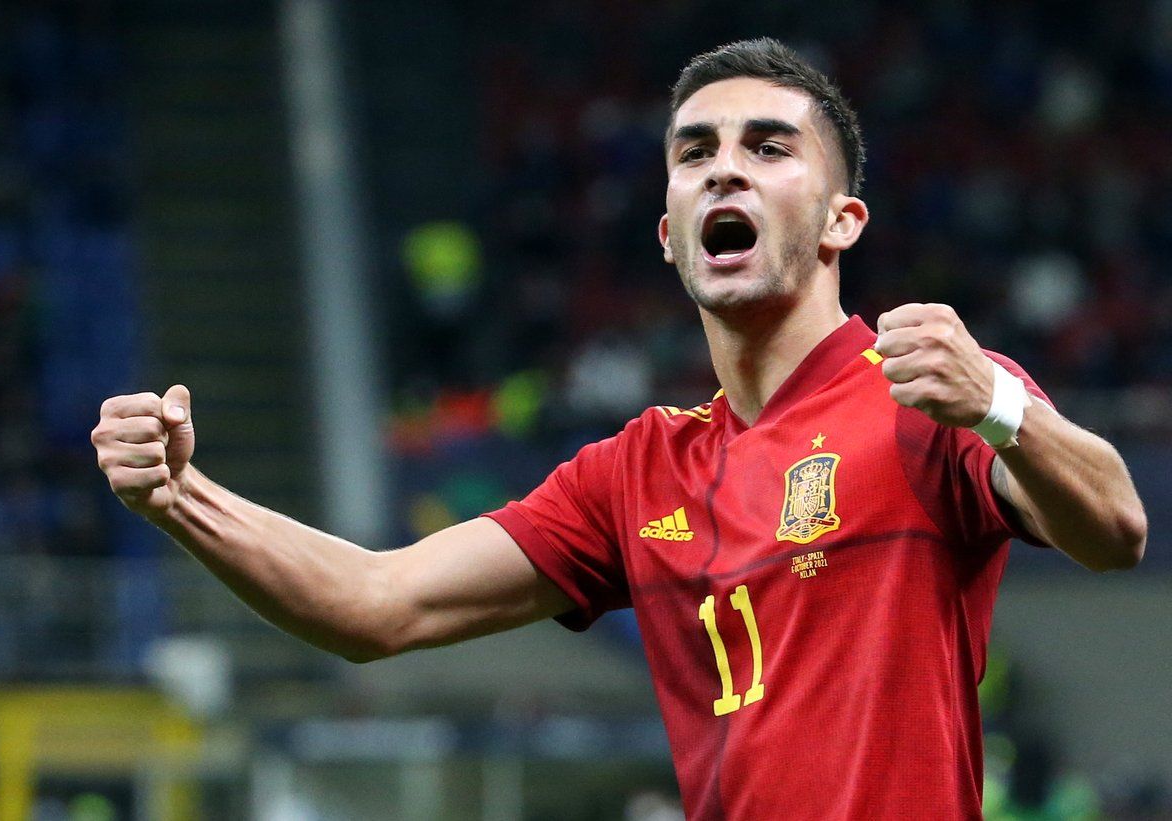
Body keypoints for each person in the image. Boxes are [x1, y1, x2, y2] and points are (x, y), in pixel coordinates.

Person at [92, 38, 1146, 820]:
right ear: (669, 231)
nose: (724, 168)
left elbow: (1117, 527)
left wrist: (1002, 409)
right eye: (696, 153)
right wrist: (179, 496)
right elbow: (377, 603)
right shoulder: (638, 472)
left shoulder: (927, 392)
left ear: (841, 221)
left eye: (769, 147)